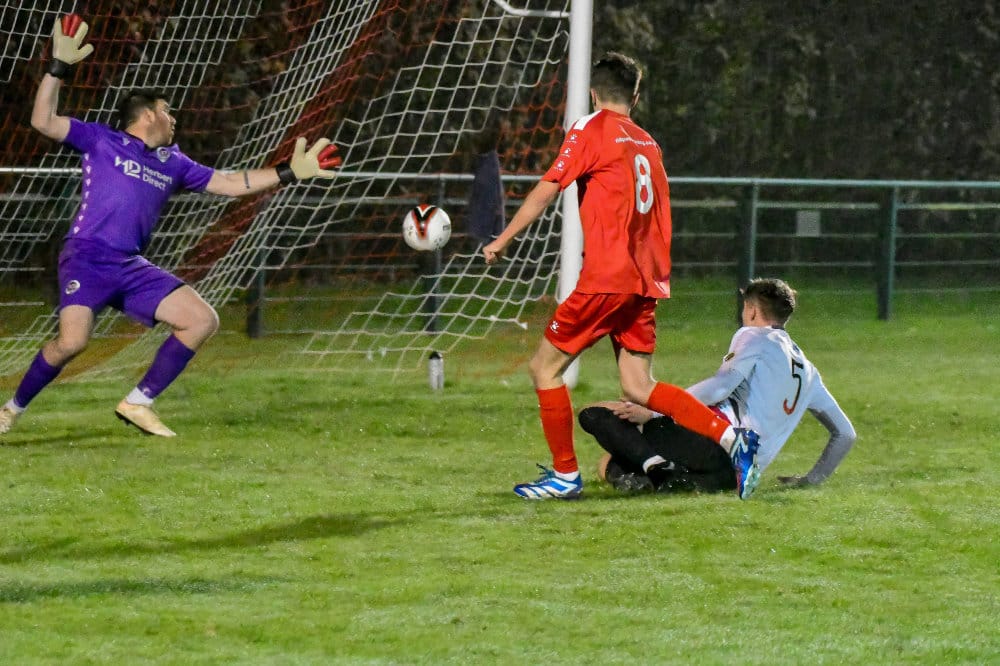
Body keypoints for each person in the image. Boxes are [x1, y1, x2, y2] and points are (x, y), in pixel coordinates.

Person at [0, 14, 341, 438]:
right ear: (146, 115)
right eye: (166, 110)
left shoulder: (173, 162)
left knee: (201, 320)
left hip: (129, 265)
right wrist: (57, 68)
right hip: (88, 256)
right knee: (72, 343)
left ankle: (138, 402)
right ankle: (10, 410)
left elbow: (229, 184)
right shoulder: (102, 140)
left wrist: (288, 172)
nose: (173, 118)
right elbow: (43, 121)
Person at [482, 52, 761, 500]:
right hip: (644, 280)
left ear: (594, 93)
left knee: (544, 368)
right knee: (638, 386)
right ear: (636, 96)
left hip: (607, 278)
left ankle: (565, 476)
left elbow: (547, 189)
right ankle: (732, 439)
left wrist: (503, 239)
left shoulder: (590, 129)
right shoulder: (648, 142)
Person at [580, 278, 857, 495]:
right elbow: (845, 434)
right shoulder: (809, 372)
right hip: (731, 477)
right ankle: (663, 479)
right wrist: (811, 480)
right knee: (612, 461)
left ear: (752, 310)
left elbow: (719, 388)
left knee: (595, 414)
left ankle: (654, 473)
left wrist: (654, 412)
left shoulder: (754, 335)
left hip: (716, 446)